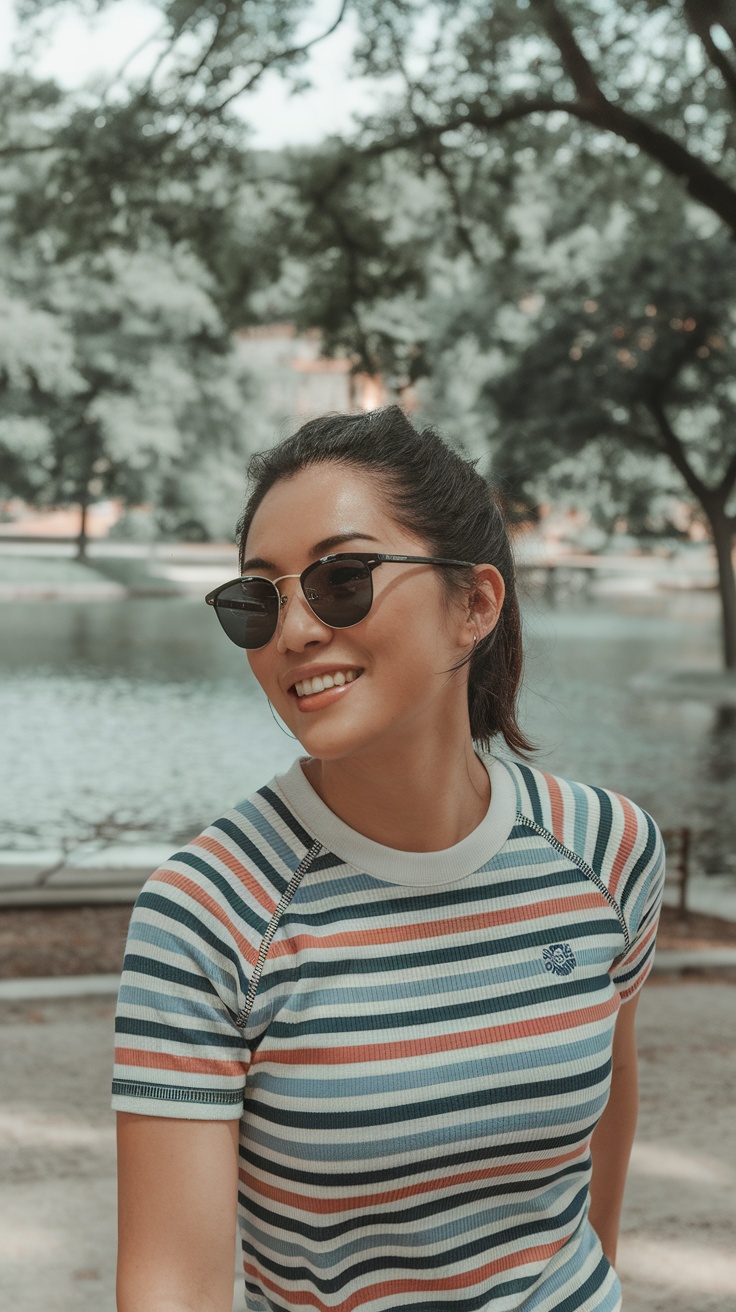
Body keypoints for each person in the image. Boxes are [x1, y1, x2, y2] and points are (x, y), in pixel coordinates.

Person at [113, 406, 664, 1312]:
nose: (292, 632)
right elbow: (174, 1285)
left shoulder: (609, 851)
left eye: (341, 578)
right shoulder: (205, 914)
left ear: (475, 604)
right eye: (259, 597)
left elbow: (606, 1119)